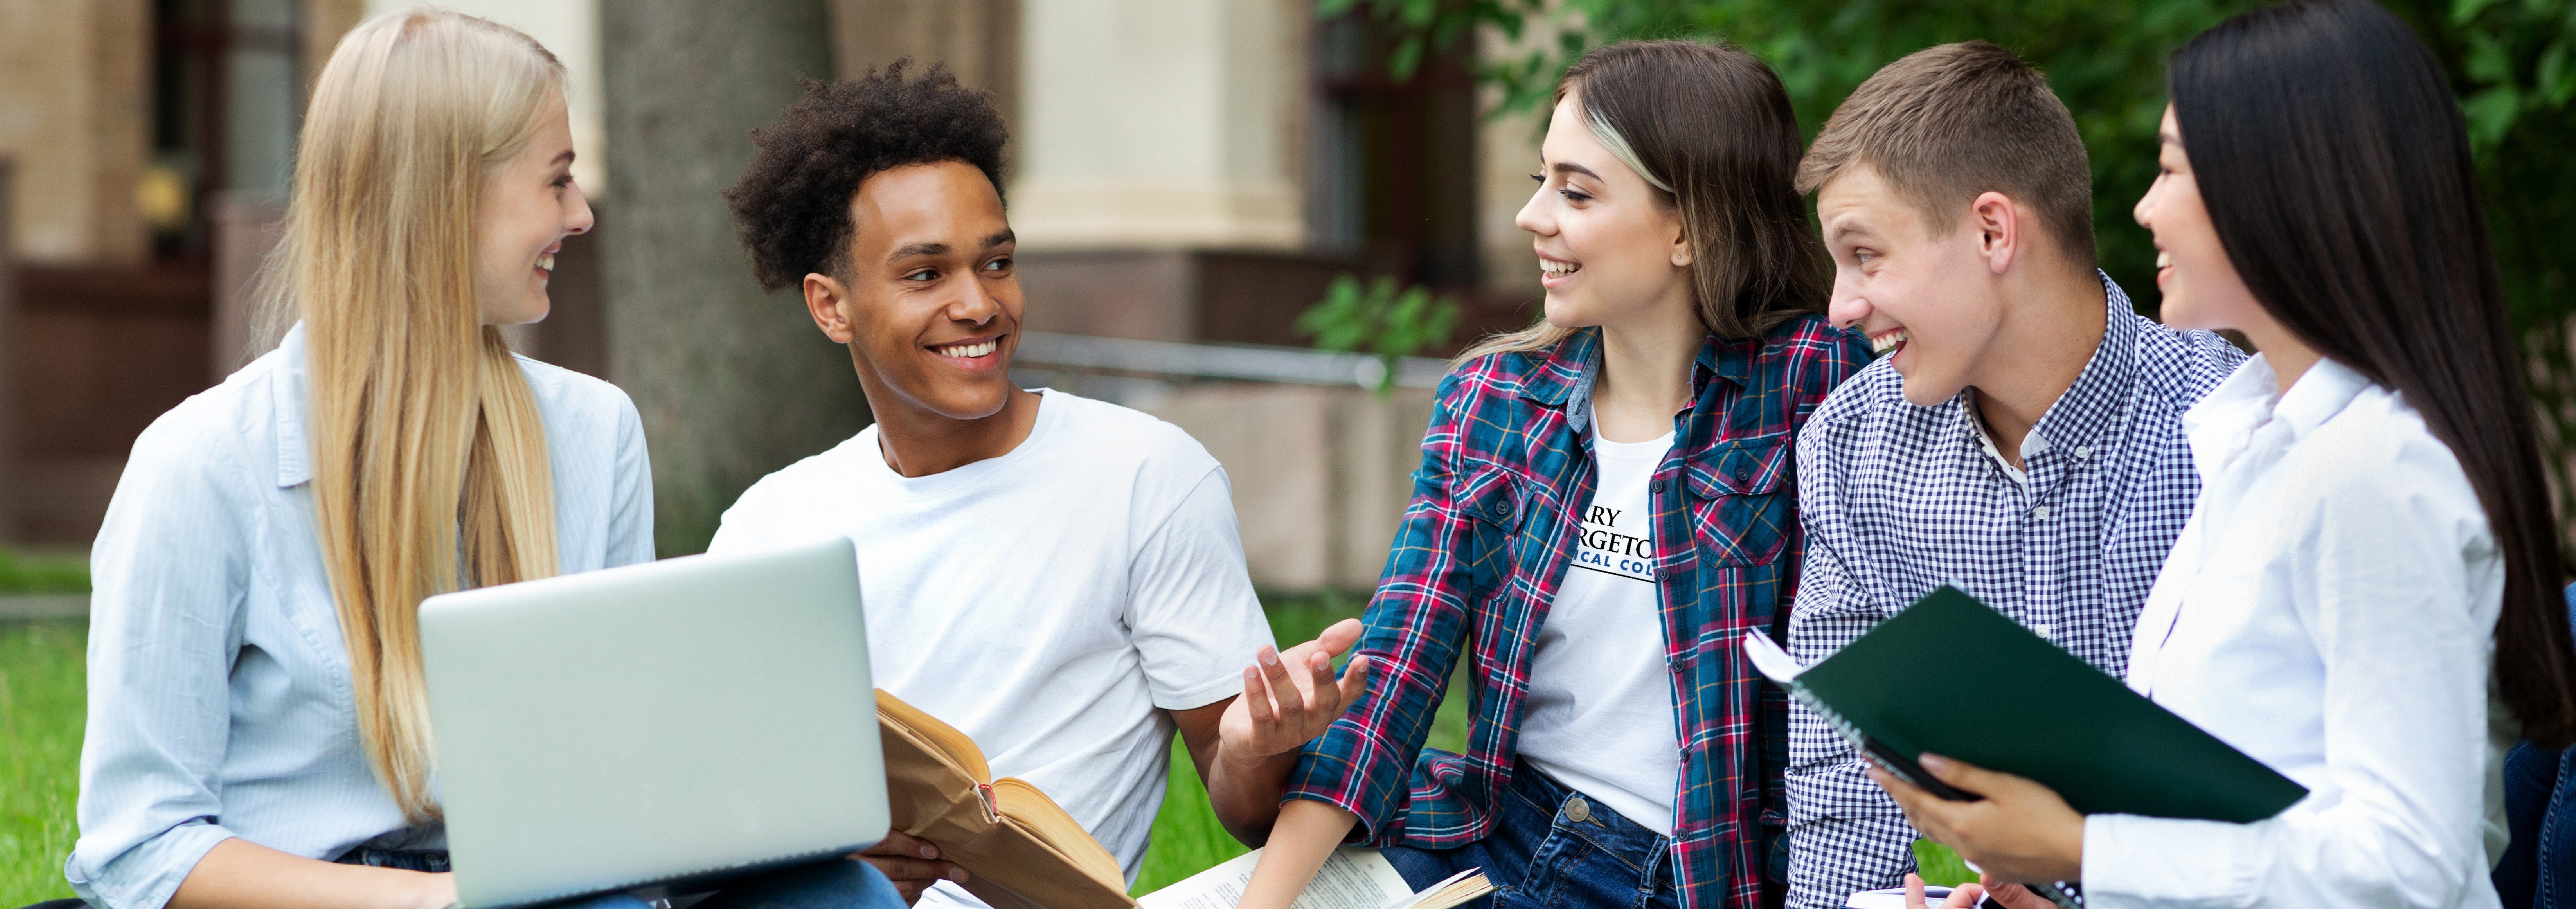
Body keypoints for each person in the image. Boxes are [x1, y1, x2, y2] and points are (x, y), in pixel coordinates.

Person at [64, 10, 902, 909]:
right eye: (557, 180)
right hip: (329, 897)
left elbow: (621, 771)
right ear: (444, 195)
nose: (580, 216)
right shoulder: (200, 467)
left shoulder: (594, 433)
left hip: (556, 887)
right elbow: (140, 844)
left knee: (838, 895)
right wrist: (443, 902)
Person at [1871, 3, 2576, 908]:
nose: (2142, 206)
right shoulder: (2256, 445)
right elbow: (2260, 820)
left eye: (2170, 168)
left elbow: (2413, 862)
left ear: (2279, 187)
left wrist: (2087, 846)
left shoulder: (2372, 471)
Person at [1230, 39, 1872, 909]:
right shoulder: (1494, 401)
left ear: (1691, 227)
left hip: (1694, 877)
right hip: (1490, 840)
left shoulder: (1816, 388)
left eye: (1575, 191)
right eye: (1540, 181)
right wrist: (1262, 905)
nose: (1533, 217)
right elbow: (1393, 681)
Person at [709, 62, 1367, 907]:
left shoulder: (1144, 477)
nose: (979, 304)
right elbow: (718, 805)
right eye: (925, 275)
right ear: (831, 306)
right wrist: (827, 851)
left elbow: (1245, 808)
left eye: (997, 262)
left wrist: (1251, 746)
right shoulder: (771, 523)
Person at [1780, 41, 2247, 908]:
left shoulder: (2230, 433)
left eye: (1865, 255)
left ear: (1992, 231)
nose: (1841, 307)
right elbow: (1843, 771)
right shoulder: (1849, 445)